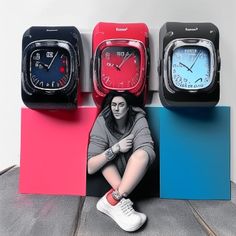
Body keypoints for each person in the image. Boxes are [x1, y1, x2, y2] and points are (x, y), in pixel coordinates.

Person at [87, 91, 156, 232]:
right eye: (113, 105)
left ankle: (113, 199)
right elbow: (91, 166)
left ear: (128, 106)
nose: (116, 109)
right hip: (113, 172)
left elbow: (148, 150)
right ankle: (117, 202)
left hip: (135, 174)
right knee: (104, 158)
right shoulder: (102, 121)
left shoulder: (138, 118)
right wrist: (116, 148)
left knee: (143, 154)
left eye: (121, 105)